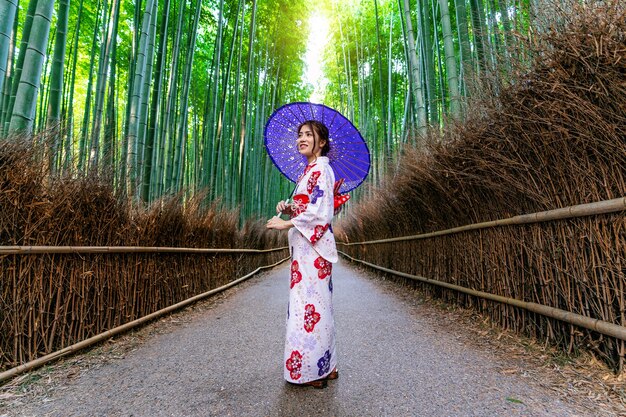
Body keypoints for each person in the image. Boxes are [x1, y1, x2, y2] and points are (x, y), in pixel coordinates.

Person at [266, 120, 339, 389]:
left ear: (322, 142)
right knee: (318, 307)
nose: (302, 139)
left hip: (312, 250)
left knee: (307, 309)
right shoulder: (309, 172)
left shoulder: (321, 170)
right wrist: (289, 208)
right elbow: (306, 207)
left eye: (309, 134)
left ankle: (310, 372)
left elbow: (321, 212)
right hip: (305, 249)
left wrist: (286, 223)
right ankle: (327, 365)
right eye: (299, 135)